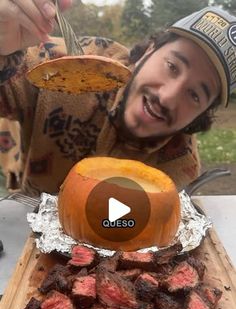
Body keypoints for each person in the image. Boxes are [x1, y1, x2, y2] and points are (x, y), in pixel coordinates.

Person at [0, 2, 236, 196]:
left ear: (203, 112)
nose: (166, 97)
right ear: (149, 51)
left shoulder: (179, 168)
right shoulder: (68, 66)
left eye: (195, 94)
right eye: (172, 66)